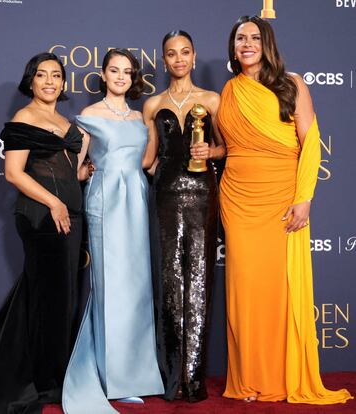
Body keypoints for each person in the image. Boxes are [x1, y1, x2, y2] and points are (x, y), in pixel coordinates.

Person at [217, 16, 353, 404]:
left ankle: (277, 376)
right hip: (238, 198)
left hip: (281, 196)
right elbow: (231, 146)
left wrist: (304, 197)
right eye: (240, 38)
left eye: (254, 38)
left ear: (267, 43)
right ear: (233, 46)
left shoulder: (292, 84)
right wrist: (209, 151)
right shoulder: (229, 90)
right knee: (244, 290)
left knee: (277, 290)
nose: (246, 44)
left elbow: (310, 142)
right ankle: (248, 378)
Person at [0, 52, 87, 413]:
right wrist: (54, 202)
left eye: (57, 75)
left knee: (57, 299)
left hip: (71, 215)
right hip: (41, 217)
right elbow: (14, 173)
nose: (50, 81)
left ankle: (47, 376)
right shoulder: (24, 118)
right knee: (49, 300)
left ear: (64, 83)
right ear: (31, 81)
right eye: (42, 75)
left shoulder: (63, 120)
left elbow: (67, 167)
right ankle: (40, 383)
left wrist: (79, 176)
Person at [62, 48, 164, 414]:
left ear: (133, 77)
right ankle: (110, 377)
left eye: (127, 72)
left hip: (137, 200)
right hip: (105, 201)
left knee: (137, 287)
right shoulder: (89, 116)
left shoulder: (142, 117)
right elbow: (74, 169)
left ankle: (136, 374)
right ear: (103, 75)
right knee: (109, 287)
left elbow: (148, 163)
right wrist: (87, 173)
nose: (121, 77)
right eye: (114, 70)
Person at [143, 30, 226, 402]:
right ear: (164, 60)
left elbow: (227, 147)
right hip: (164, 193)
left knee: (199, 279)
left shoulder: (211, 100)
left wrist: (210, 151)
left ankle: (193, 380)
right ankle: (170, 377)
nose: (179, 59)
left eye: (185, 52)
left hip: (202, 192)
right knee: (169, 280)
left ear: (194, 57)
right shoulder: (152, 104)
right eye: (171, 54)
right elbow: (149, 157)